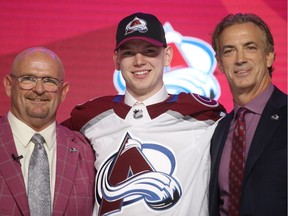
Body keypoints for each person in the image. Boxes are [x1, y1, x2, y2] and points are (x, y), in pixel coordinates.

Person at [63, 12, 226, 216]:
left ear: (167, 56)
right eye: (129, 53)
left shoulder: (203, 115)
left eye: (149, 51)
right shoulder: (90, 116)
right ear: (116, 59)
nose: (139, 61)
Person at [0, 47, 96, 215]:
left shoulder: (86, 152)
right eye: (28, 79)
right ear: (9, 85)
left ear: (63, 92)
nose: (39, 89)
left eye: (49, 81)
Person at [208, 13, 287, 216]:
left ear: (269, 55)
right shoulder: (219, 130)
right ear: (219, 63)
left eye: (250, 47)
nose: (240, 59)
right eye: (229, 51)